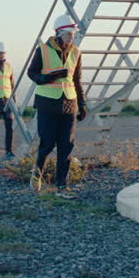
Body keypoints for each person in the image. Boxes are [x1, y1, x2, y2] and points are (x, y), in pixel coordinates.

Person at [25, 14, 86, 198]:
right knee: (47, 143)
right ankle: (37, 175)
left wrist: (82, 104)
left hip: (69, 104)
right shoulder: (42, 50)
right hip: (47, 104)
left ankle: (62, 185)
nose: (72, 37)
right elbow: (32, 72)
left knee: (66, 146)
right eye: (69, 33)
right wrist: (46, 78)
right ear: (59, 32)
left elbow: (77, 80)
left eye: (73, 34)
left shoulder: (76, 52)